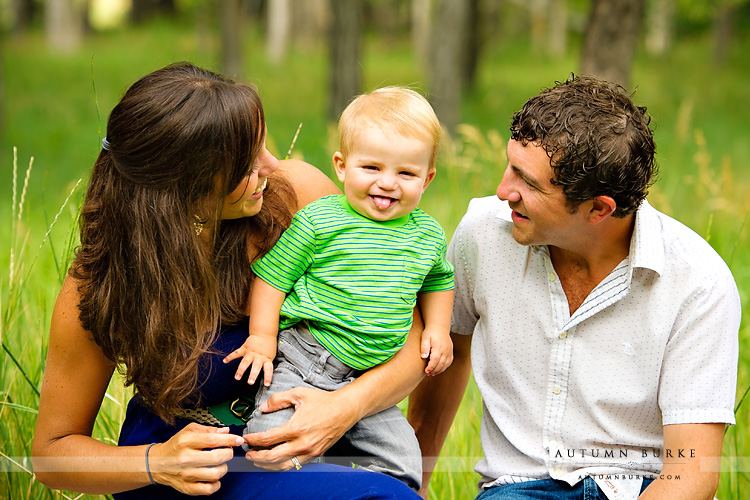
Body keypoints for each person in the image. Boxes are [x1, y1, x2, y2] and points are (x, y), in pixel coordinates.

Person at [31, 62, 426, 499]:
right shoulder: (104, 280)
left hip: (306, 448)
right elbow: (52, 453)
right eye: (246, 161)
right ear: (185, 185)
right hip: (190, 474)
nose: (272, 165)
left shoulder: (300, 199)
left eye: (263, 144)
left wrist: (343, 409)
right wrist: (157, 463)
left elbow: (411, 342)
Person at [408, 75, 740, 500]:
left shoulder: (697, 282)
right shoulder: (482, 234)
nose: (503, 190)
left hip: (642, 488)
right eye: (510, 165)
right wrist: (411, 485)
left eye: (528, 182)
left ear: (598, 209)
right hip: (518, 486)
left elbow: (689, 476)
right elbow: (446, 357)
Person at [223, 87, 455, 491]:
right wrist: (261, 338)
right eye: (372, 168)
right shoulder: (321, 220)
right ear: (342, 166)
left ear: (427, 178)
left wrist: (437, 329)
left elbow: (438, 280)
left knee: (403, 463)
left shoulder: (427, 235)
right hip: (305, 358)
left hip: (369, 376)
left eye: (406, 173)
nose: (388, 184)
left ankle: (356, 486)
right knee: (273, 443)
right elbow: (272, 279)